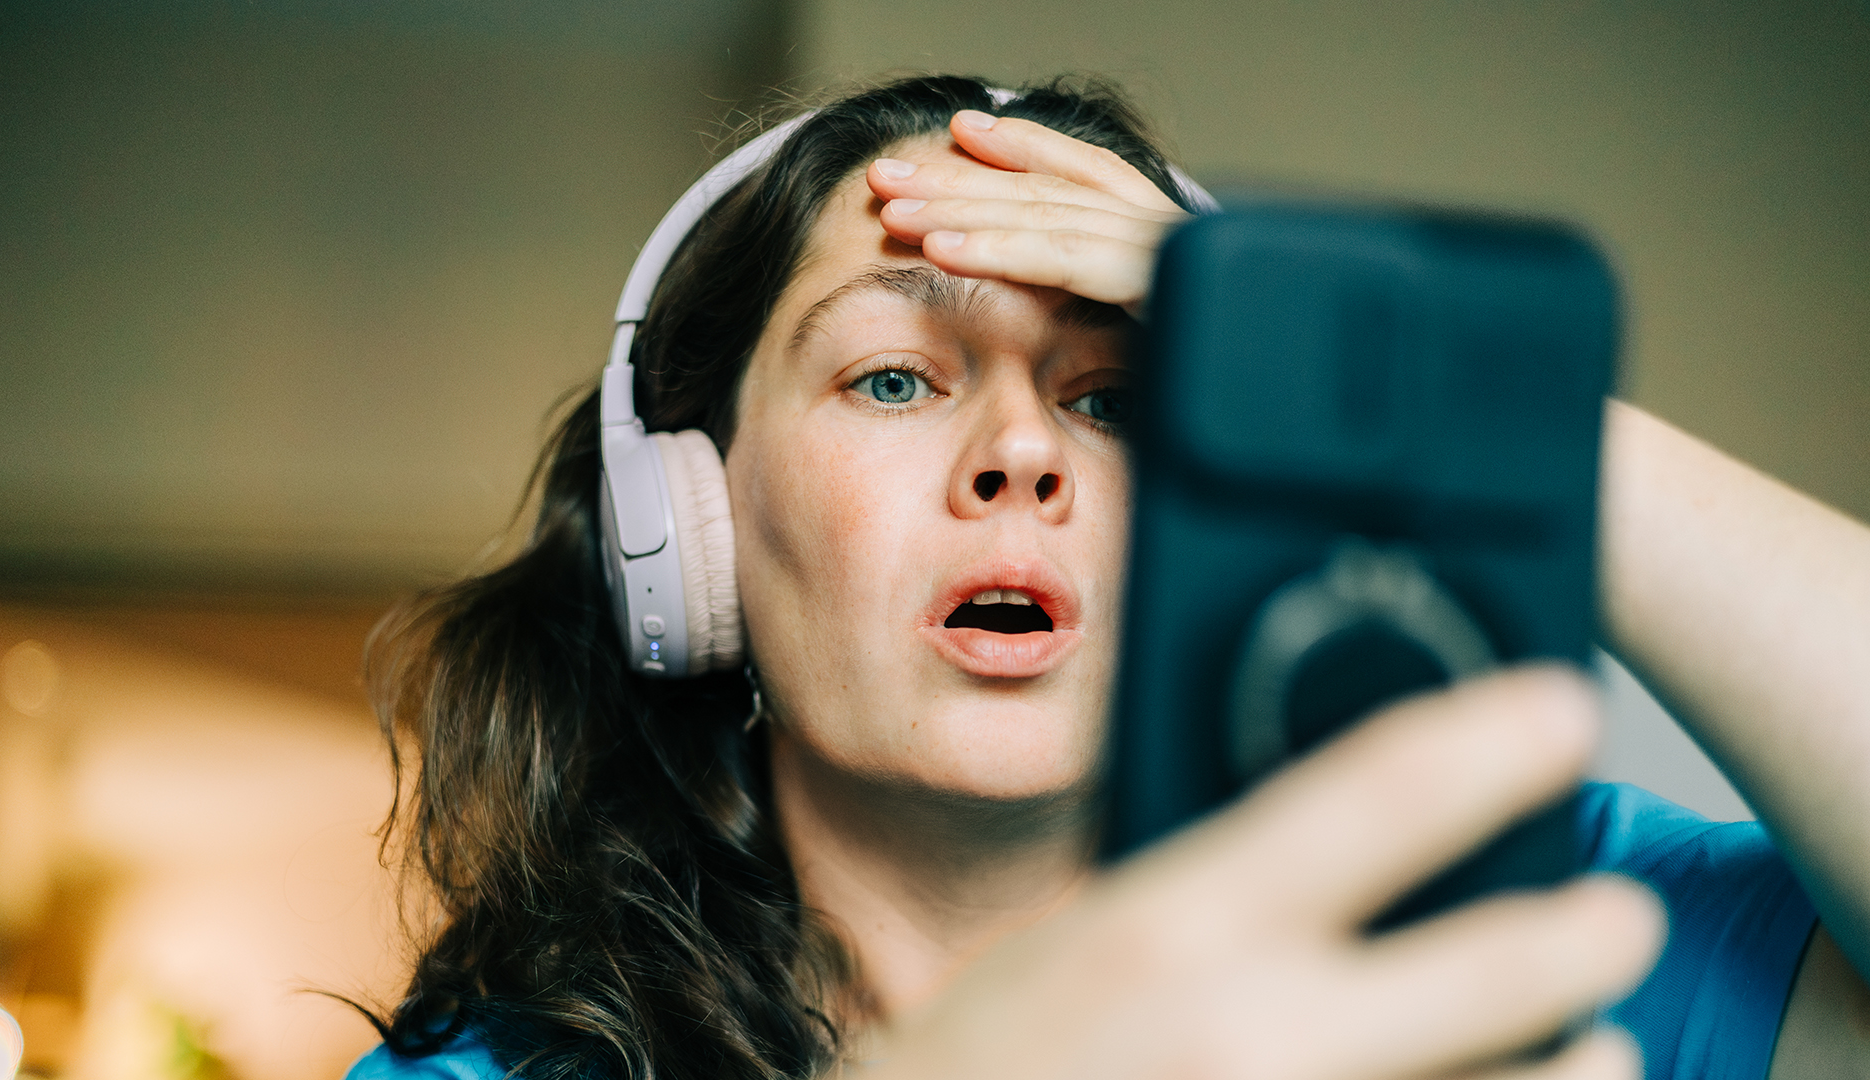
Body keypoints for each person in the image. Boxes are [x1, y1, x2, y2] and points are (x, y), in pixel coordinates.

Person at [345, 75, 1870, 1080]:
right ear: (689, 522)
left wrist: (1441, 404)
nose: (1022, 454)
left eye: (1119, 398)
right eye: (891, 378)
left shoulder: (1525, 920)